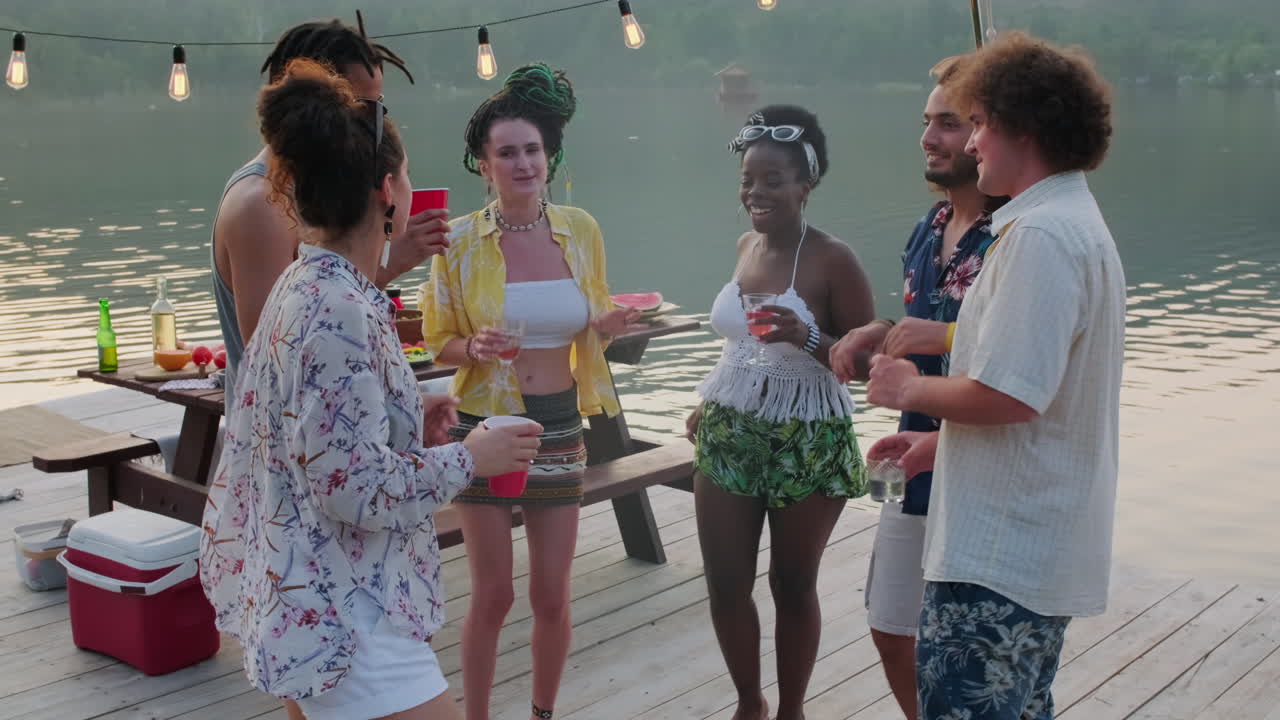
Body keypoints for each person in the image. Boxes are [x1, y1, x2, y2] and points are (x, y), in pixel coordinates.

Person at [198, 60, 540, 720]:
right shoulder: (339, 308)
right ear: (387, 190)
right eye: (407, 175)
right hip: (350, 617)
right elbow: (354, 490)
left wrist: (411, 414)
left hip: (311, 588)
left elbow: (310, 437)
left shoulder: (307, 285)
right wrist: (474, 458)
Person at [865, 31, 1123, 720]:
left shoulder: (1039, 239)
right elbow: (1042, 390)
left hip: (1000, 556)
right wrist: (935, 446)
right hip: (1026, 549)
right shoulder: (1064, 221)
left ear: (1023, 129)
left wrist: (907, 390)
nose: (971, 143)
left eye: (978, 124)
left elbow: (1011, 395)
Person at [417, 64, 638, 720]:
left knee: (552, 594)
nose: (523, 163)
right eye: (506, 153)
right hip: (484, 425)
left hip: (559, 421)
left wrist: (607, 325)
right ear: (483, 166)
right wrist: (473, 348)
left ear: (550, 156)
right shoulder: (456, 242)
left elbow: (591, 315)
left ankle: (542, 712)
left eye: (532, 150)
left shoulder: (580, 229)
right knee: (493, 595)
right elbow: (439, 342)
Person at [685, 105, 875, 720]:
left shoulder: (834, 259)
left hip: (808, 438)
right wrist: (711, 400)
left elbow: (869, 367)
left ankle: (792, 710)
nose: (756, 192)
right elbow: (739, 342)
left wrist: (810, 337)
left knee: (791, 585)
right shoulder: (746, 245)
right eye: (748, 179)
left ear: (805, 184)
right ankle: (750, 704)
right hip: (730, 430)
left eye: (772, 180)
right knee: (724, 582)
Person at [828, 56, 1004, 720]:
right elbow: (926, 318)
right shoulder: (928, 228)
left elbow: (1016, 355)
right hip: (908, 455)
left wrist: (942, 339)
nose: (929, 138)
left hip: (982, 462)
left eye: (950, 124)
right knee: (890, 622)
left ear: (989, 130)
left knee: (970, 652)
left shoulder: (1013, 238)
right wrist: (878, 329)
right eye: (927, 122)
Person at [211, 13, 449, 396]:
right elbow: (282, 351)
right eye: (361, 107)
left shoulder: (312, 187)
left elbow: (320, 307)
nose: (373, 125)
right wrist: (392, 261)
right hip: (285, 443)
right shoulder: (261, 204)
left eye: (379, 107)